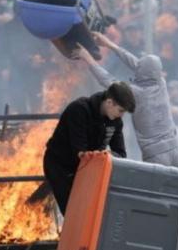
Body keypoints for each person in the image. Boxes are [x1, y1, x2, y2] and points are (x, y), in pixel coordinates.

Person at [78, 32, 178, 169]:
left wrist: (87, 58)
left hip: (155, 153)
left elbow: (107, 79)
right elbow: (139, 65)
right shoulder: (160, 82)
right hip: (177, 146)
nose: (137, 65)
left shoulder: (133, 93)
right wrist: (110, 45)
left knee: (157, 189)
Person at [41, 83, 136, 214]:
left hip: (89, 167)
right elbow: (80, 152)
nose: (121, 115)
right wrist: (99, 156)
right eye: (120, 110)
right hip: (60, 165)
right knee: (73, 211)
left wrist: (107, 155)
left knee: (92, 211)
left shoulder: (115, 121)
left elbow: (120, 154)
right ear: (109, 102)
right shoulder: (79, 109)